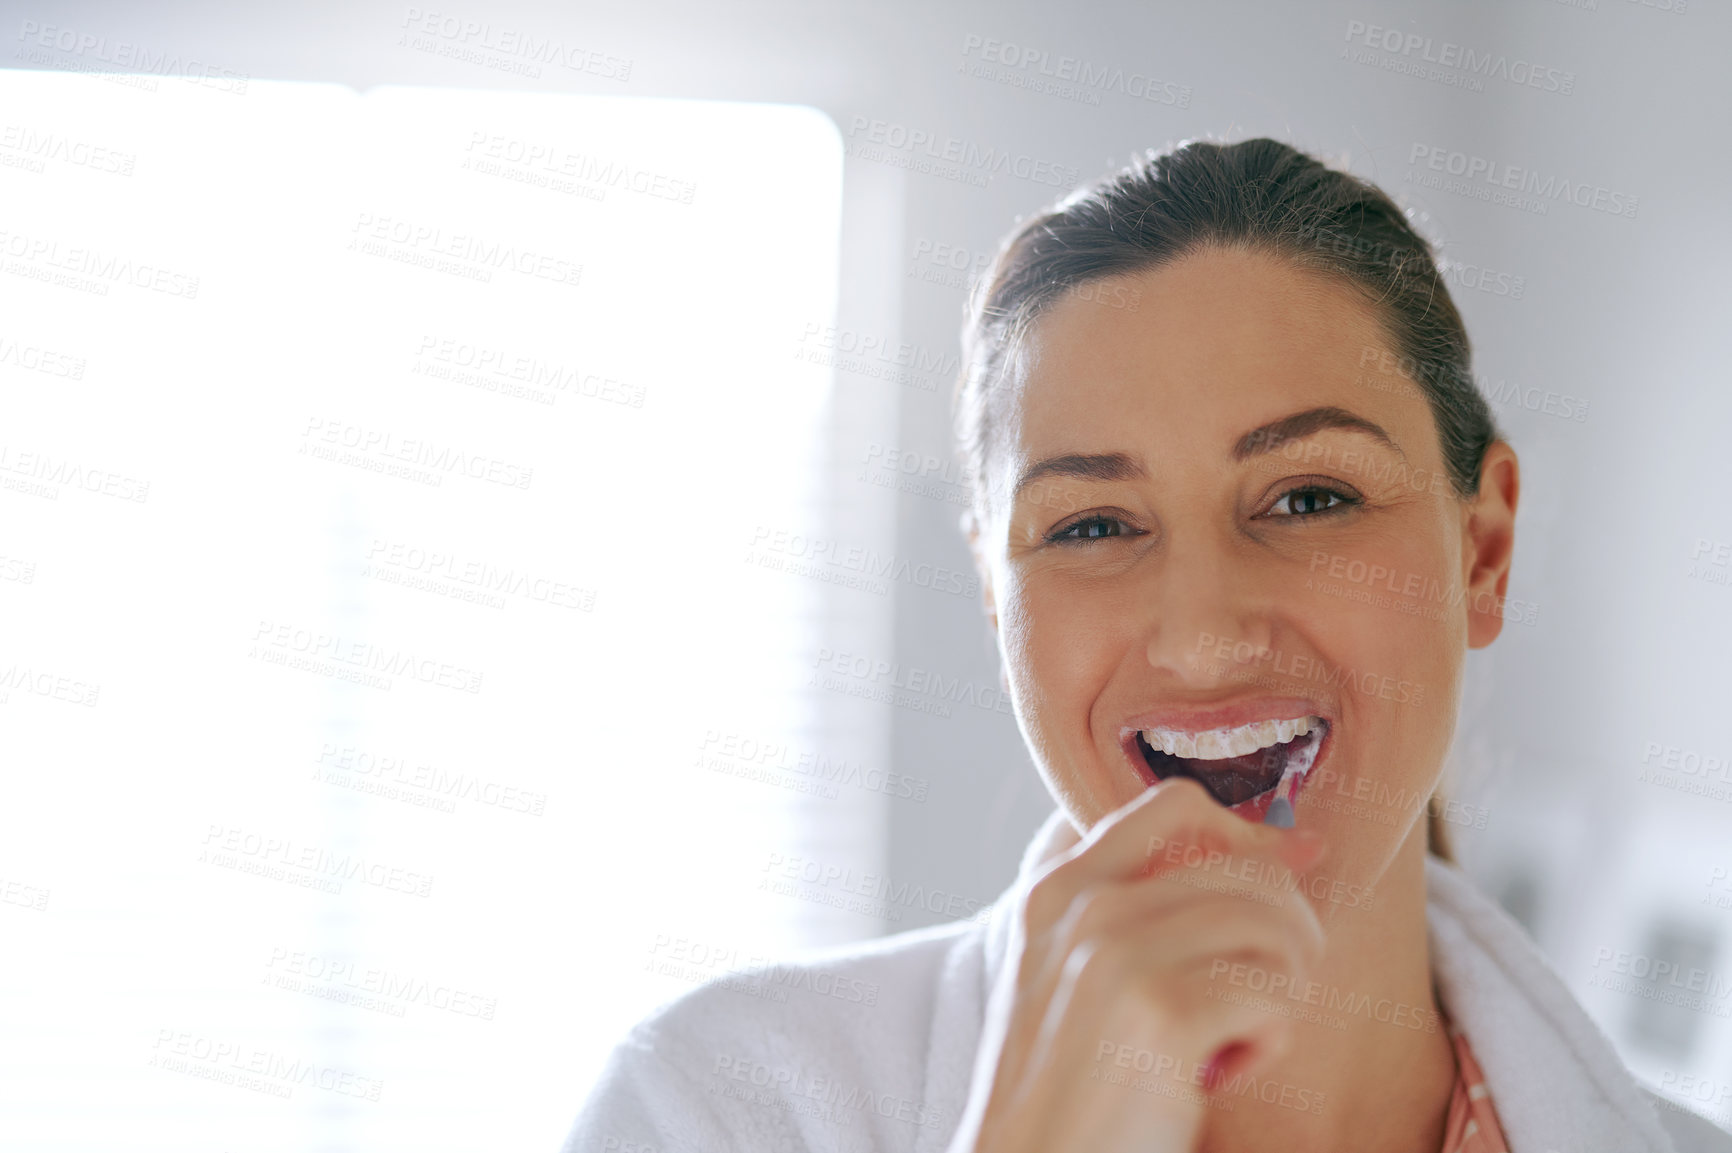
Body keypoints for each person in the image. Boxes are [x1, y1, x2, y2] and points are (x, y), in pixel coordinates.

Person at [562, 138, 1732, 1153]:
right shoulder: (712, 1106)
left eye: (1309, 498)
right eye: (1091, 525)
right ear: (993, 593)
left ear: (1482, 552)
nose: (1203, 639)